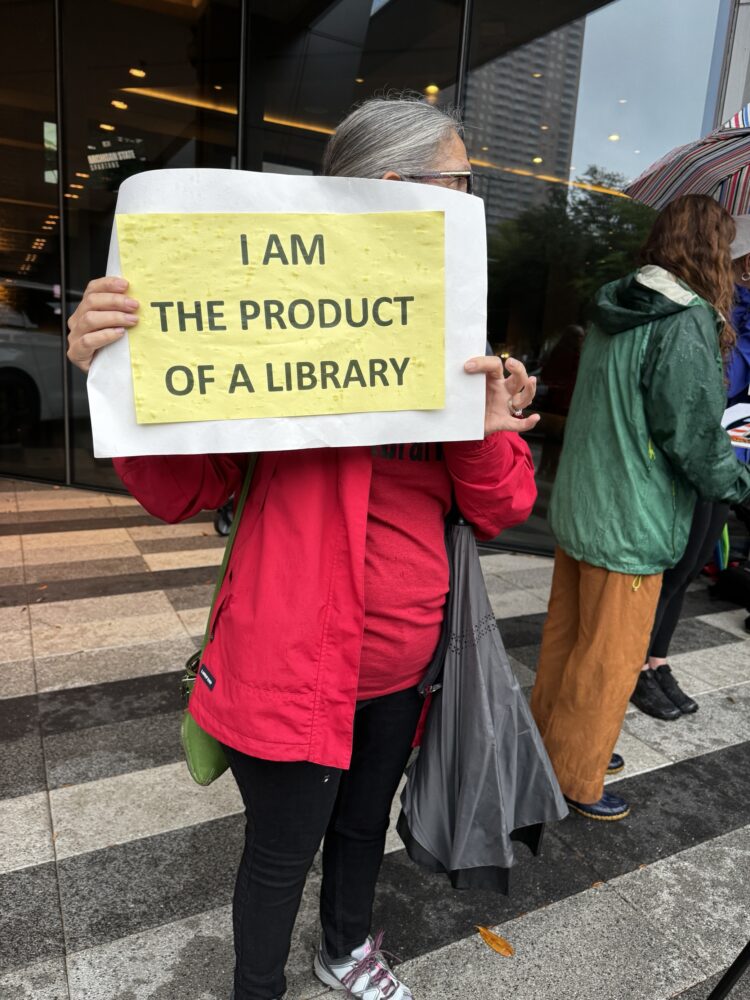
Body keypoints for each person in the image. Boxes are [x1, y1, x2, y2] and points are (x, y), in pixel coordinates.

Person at [67, 96, 540, 1000]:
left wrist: (481, 429)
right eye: (461, 181)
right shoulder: (260, 314)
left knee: (363, 828)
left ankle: (347, 948)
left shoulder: (451, 337)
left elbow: (504, 504)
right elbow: (189, 490)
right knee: (279, 855)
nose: (471, 198)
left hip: (404, 667)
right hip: (285, 667)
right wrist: (117, 383)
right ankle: (258, 986)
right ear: (399, 192)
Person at [529, 194, 750, 823]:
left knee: (567, 639)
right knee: (613, 654)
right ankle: (578, 776)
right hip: (632, 516)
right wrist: (739, 485)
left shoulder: (613, 305)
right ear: (710, 249)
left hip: (583, 503)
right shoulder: (685, 322)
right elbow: (696, 438)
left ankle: (555, 745)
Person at [630, 213, 750, 720]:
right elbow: (719, 380)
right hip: (702, 453)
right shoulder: (707, 311)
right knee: (675, 563)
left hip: (731, 451)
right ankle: (636, 665)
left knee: (693, 561)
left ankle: (657, 660)